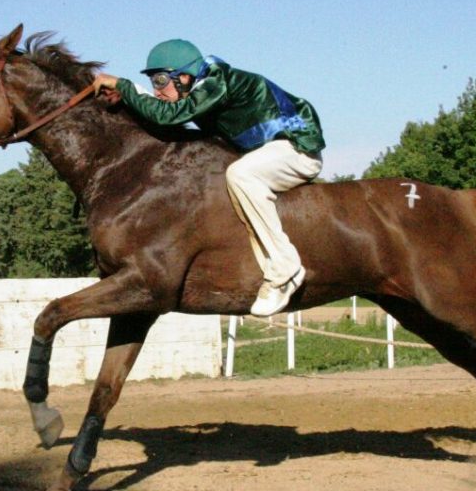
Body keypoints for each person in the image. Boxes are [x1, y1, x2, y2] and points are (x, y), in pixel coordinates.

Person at [92, 40, 325, 316]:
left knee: (241, 174)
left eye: (160, 81)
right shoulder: (201, 86)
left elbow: (168, 116)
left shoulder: (216, 83)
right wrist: (128, 96)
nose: (157, 90)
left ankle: (285, 269)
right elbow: (164, 111)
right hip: (269, 149)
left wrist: (123, 85)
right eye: (153, 82)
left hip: (298, 149)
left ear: (184, 77)